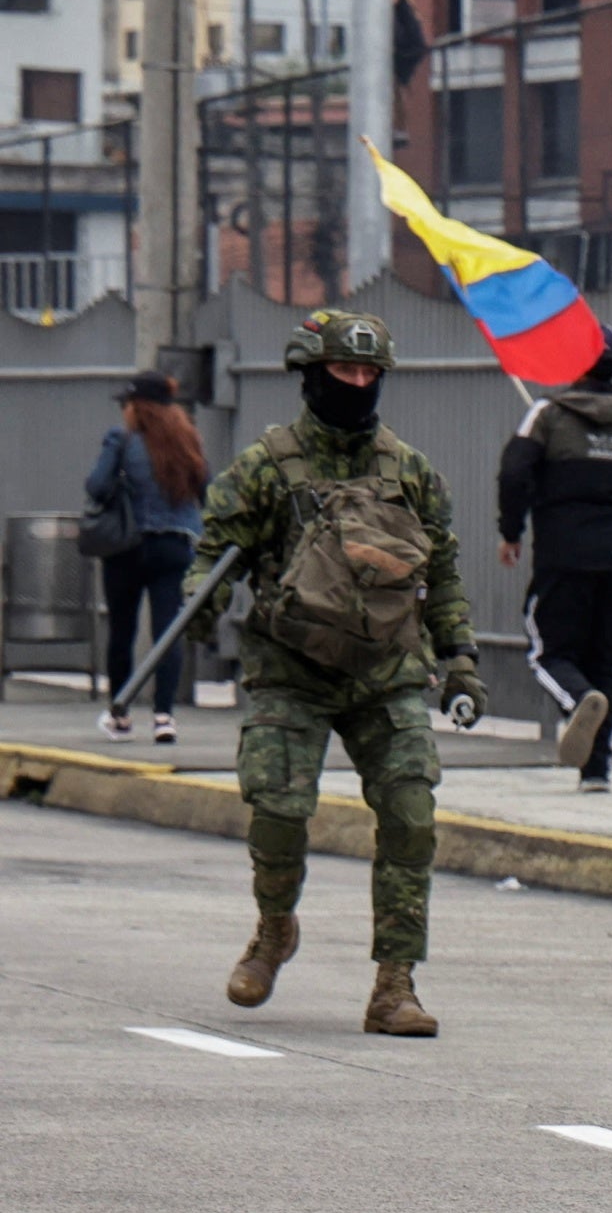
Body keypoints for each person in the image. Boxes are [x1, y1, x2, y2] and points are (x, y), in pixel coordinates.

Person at [192, 309, 489, 1037]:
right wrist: (201, 601)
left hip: (386, 672)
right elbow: (214, 551)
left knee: (411, 817)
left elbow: (442, 574)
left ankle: (395, 985)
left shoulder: (409, 472)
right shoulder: (267, 464)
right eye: (343, 372)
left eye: (368, 373)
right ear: (310, 375)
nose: (356, 384)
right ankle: (273, 929)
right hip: (290, 668)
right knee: (279, 812)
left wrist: (461, 660)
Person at [496, 327, 612, 791]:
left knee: (549, 653)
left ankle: (577, 702)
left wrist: (512, 531)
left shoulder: (547, 416)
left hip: (563, 556)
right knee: (607, 660)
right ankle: (596, 770)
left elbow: (514, 474)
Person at [90, 369, 208, 744]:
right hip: (174, 546)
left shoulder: (121, 439)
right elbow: (208, 490)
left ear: (136, 406)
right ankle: (164, 717)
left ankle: (120, 716)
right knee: (167, 632)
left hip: (126, 546)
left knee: (122, 631)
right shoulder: (187, 440)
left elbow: (96, 487)